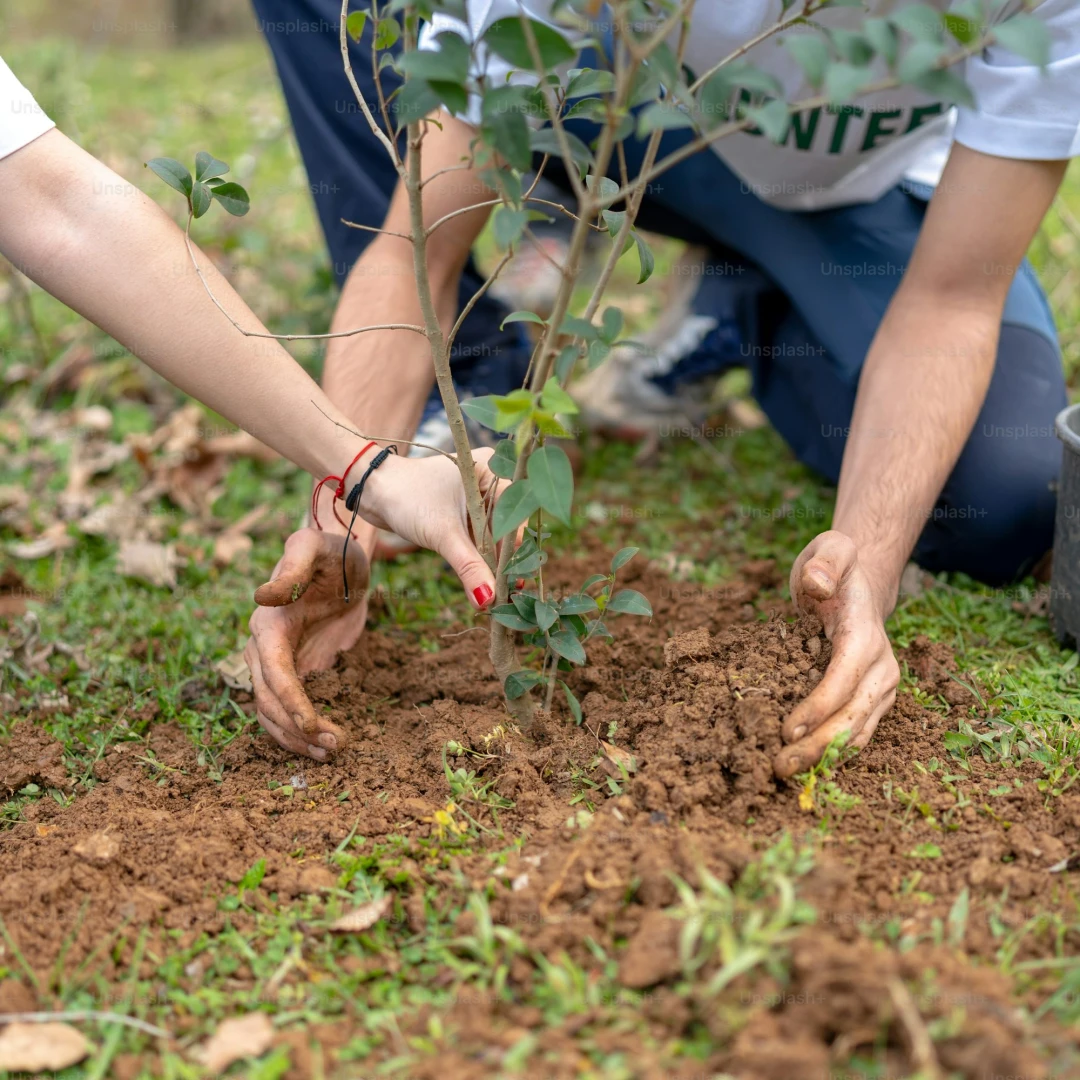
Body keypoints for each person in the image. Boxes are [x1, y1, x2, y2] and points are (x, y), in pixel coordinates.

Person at [246, 0, 1079, 774]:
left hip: (863, 196)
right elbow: (414, 249)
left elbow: (952, 299)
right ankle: (468, 378)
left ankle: (747, 301)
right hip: (625, 117)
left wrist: (868, 563)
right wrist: (342, 504)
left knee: (1000, 501)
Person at [0, 54, 506, 761]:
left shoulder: (535, 37)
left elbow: (64, 212)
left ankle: (717, 305)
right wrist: (346, 524)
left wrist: (367, 478)